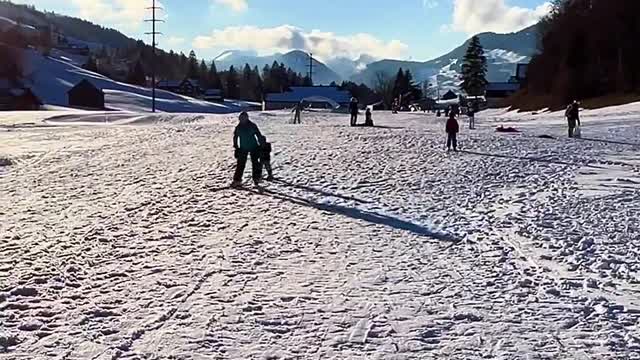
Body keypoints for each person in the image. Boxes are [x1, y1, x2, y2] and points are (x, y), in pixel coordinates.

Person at [232, 112, 263, 187]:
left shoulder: (252, 126)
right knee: (240, 164)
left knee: (255, 163)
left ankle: (256, 178)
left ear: (246, 118)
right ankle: (237, 180)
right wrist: (236, 147)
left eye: (243, 118)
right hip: (243, 148)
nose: (242, 120)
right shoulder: (238, 127)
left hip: (254, 147)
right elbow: (235, 137)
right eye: (240, 118)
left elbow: (258, 135)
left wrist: (261, 145)